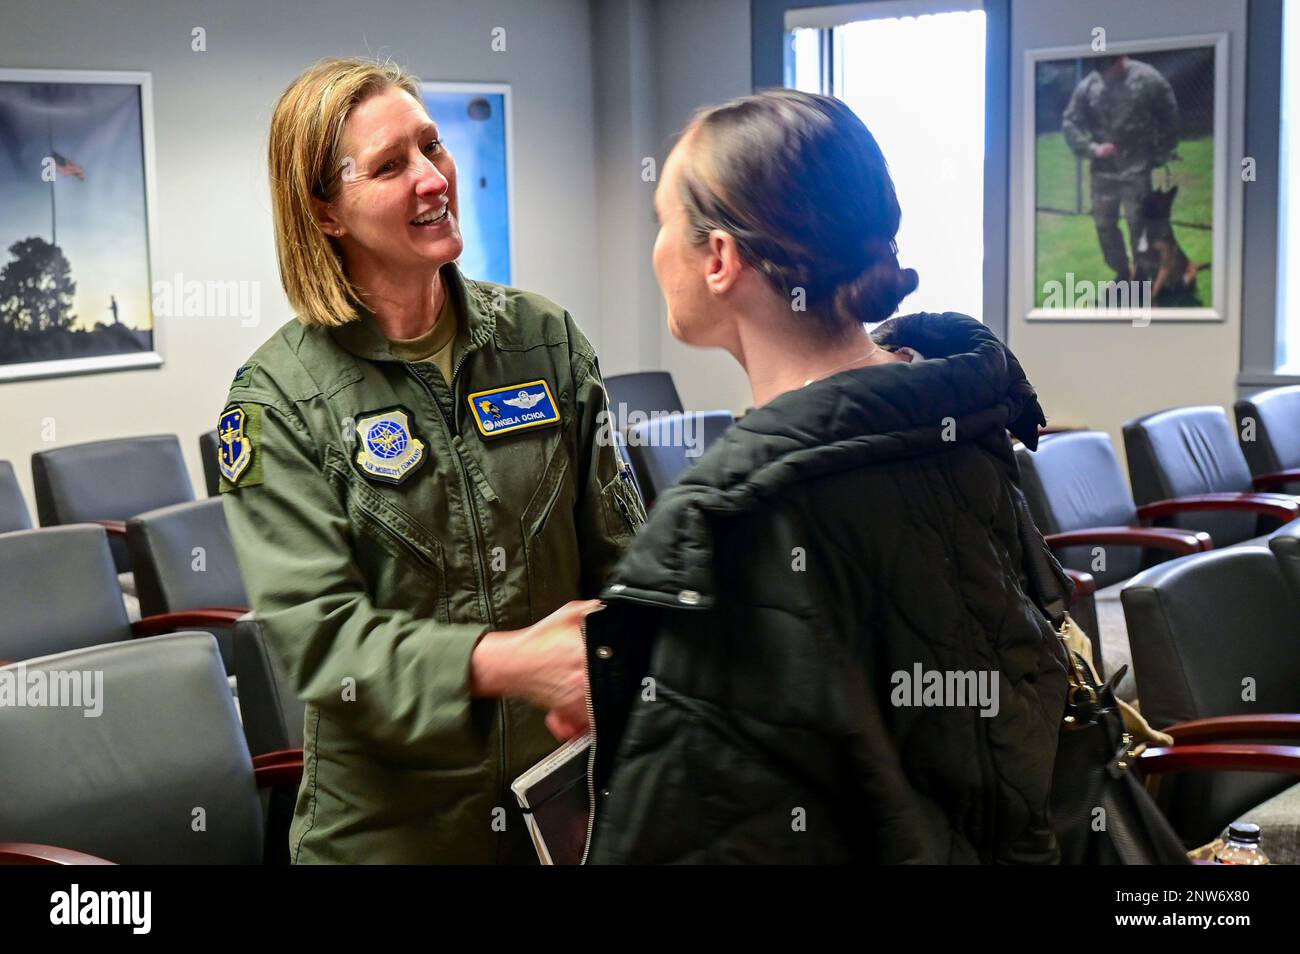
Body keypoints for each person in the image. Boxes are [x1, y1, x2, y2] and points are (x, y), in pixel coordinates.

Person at [583, 90, 1069, 864]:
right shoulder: (951, 409)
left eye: (661, 221)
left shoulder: (745, 522)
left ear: (718, 259)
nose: (655, 247)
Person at [218, 58, 644, 864]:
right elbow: (322, 643)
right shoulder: (274, 400)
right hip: (394, 835)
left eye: (433, 145)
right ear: (326, 212)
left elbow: (623, 553)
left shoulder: (543, 341)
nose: (432, 177)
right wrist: (507, 662)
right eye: (389, 165)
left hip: (565, 805)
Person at [1062, 54, 1180, 281]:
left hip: (1137, 166)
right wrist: (1092, 149)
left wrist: (1162, 152)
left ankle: (1143, 274)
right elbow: (1070, 122)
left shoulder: (1148, 79)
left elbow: (1169, 115)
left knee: (1139, 223)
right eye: (1102, 69)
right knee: (1104, 224)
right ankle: (1122, 272)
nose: (1107, 74)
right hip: (1103, 170)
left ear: (1121, 60)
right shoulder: (1089, 86)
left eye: (1111, 68)